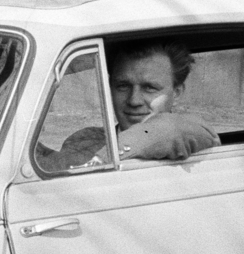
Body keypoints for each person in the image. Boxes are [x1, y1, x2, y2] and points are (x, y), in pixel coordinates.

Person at [40, 39, 219, 171]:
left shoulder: (191, 134)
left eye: (150, 88)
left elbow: (171, 130)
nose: (134, 100)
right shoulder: (85, 139)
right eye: (123, 86)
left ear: (177, 92)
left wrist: (104, 160)